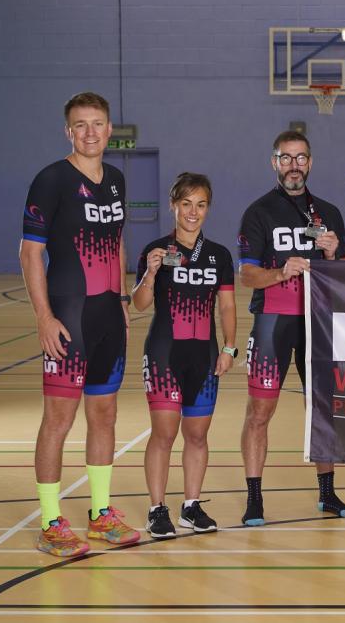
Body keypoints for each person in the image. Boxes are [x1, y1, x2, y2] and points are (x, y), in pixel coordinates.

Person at [19, 91, 140, 556]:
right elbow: (30, 252)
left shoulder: (116, 181)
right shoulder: (51, 180)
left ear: (110, 130)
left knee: (104, 415)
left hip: (108, 314)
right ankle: (51, 520)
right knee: (59, 420)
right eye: (80, 125)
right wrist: (44, 317)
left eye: (98, 124)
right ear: (68, 132)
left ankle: (100, 515)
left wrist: (123, 298)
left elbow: (118, 240)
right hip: (68, 316)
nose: (90, 132)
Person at [237, 130, 345, 525]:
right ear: (275, 162)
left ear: (310, 162)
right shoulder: (259, 212)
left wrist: (333, 253)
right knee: (260, 411)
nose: (293, 165)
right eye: (285, 158)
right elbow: (247, 276)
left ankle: (327, 494)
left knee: (321, 410)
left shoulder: (329, 212)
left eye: (300, 157)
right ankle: (255, 498)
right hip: (273, 322)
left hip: (317, 324)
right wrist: (279, 272)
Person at [133, 172, 237, 537]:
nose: (193, 212)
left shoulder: (219, 255)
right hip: (164, 354)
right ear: (174, 205)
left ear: (208, 208)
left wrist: (228, 347)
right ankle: (156, 509)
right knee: (164, 433)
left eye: (201, 204)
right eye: (186, 204)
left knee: (197, 435)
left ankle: (191, 507)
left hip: (204, 356)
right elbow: (139, 304)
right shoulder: (156, 249)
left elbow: (226, 306)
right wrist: (150, 272)